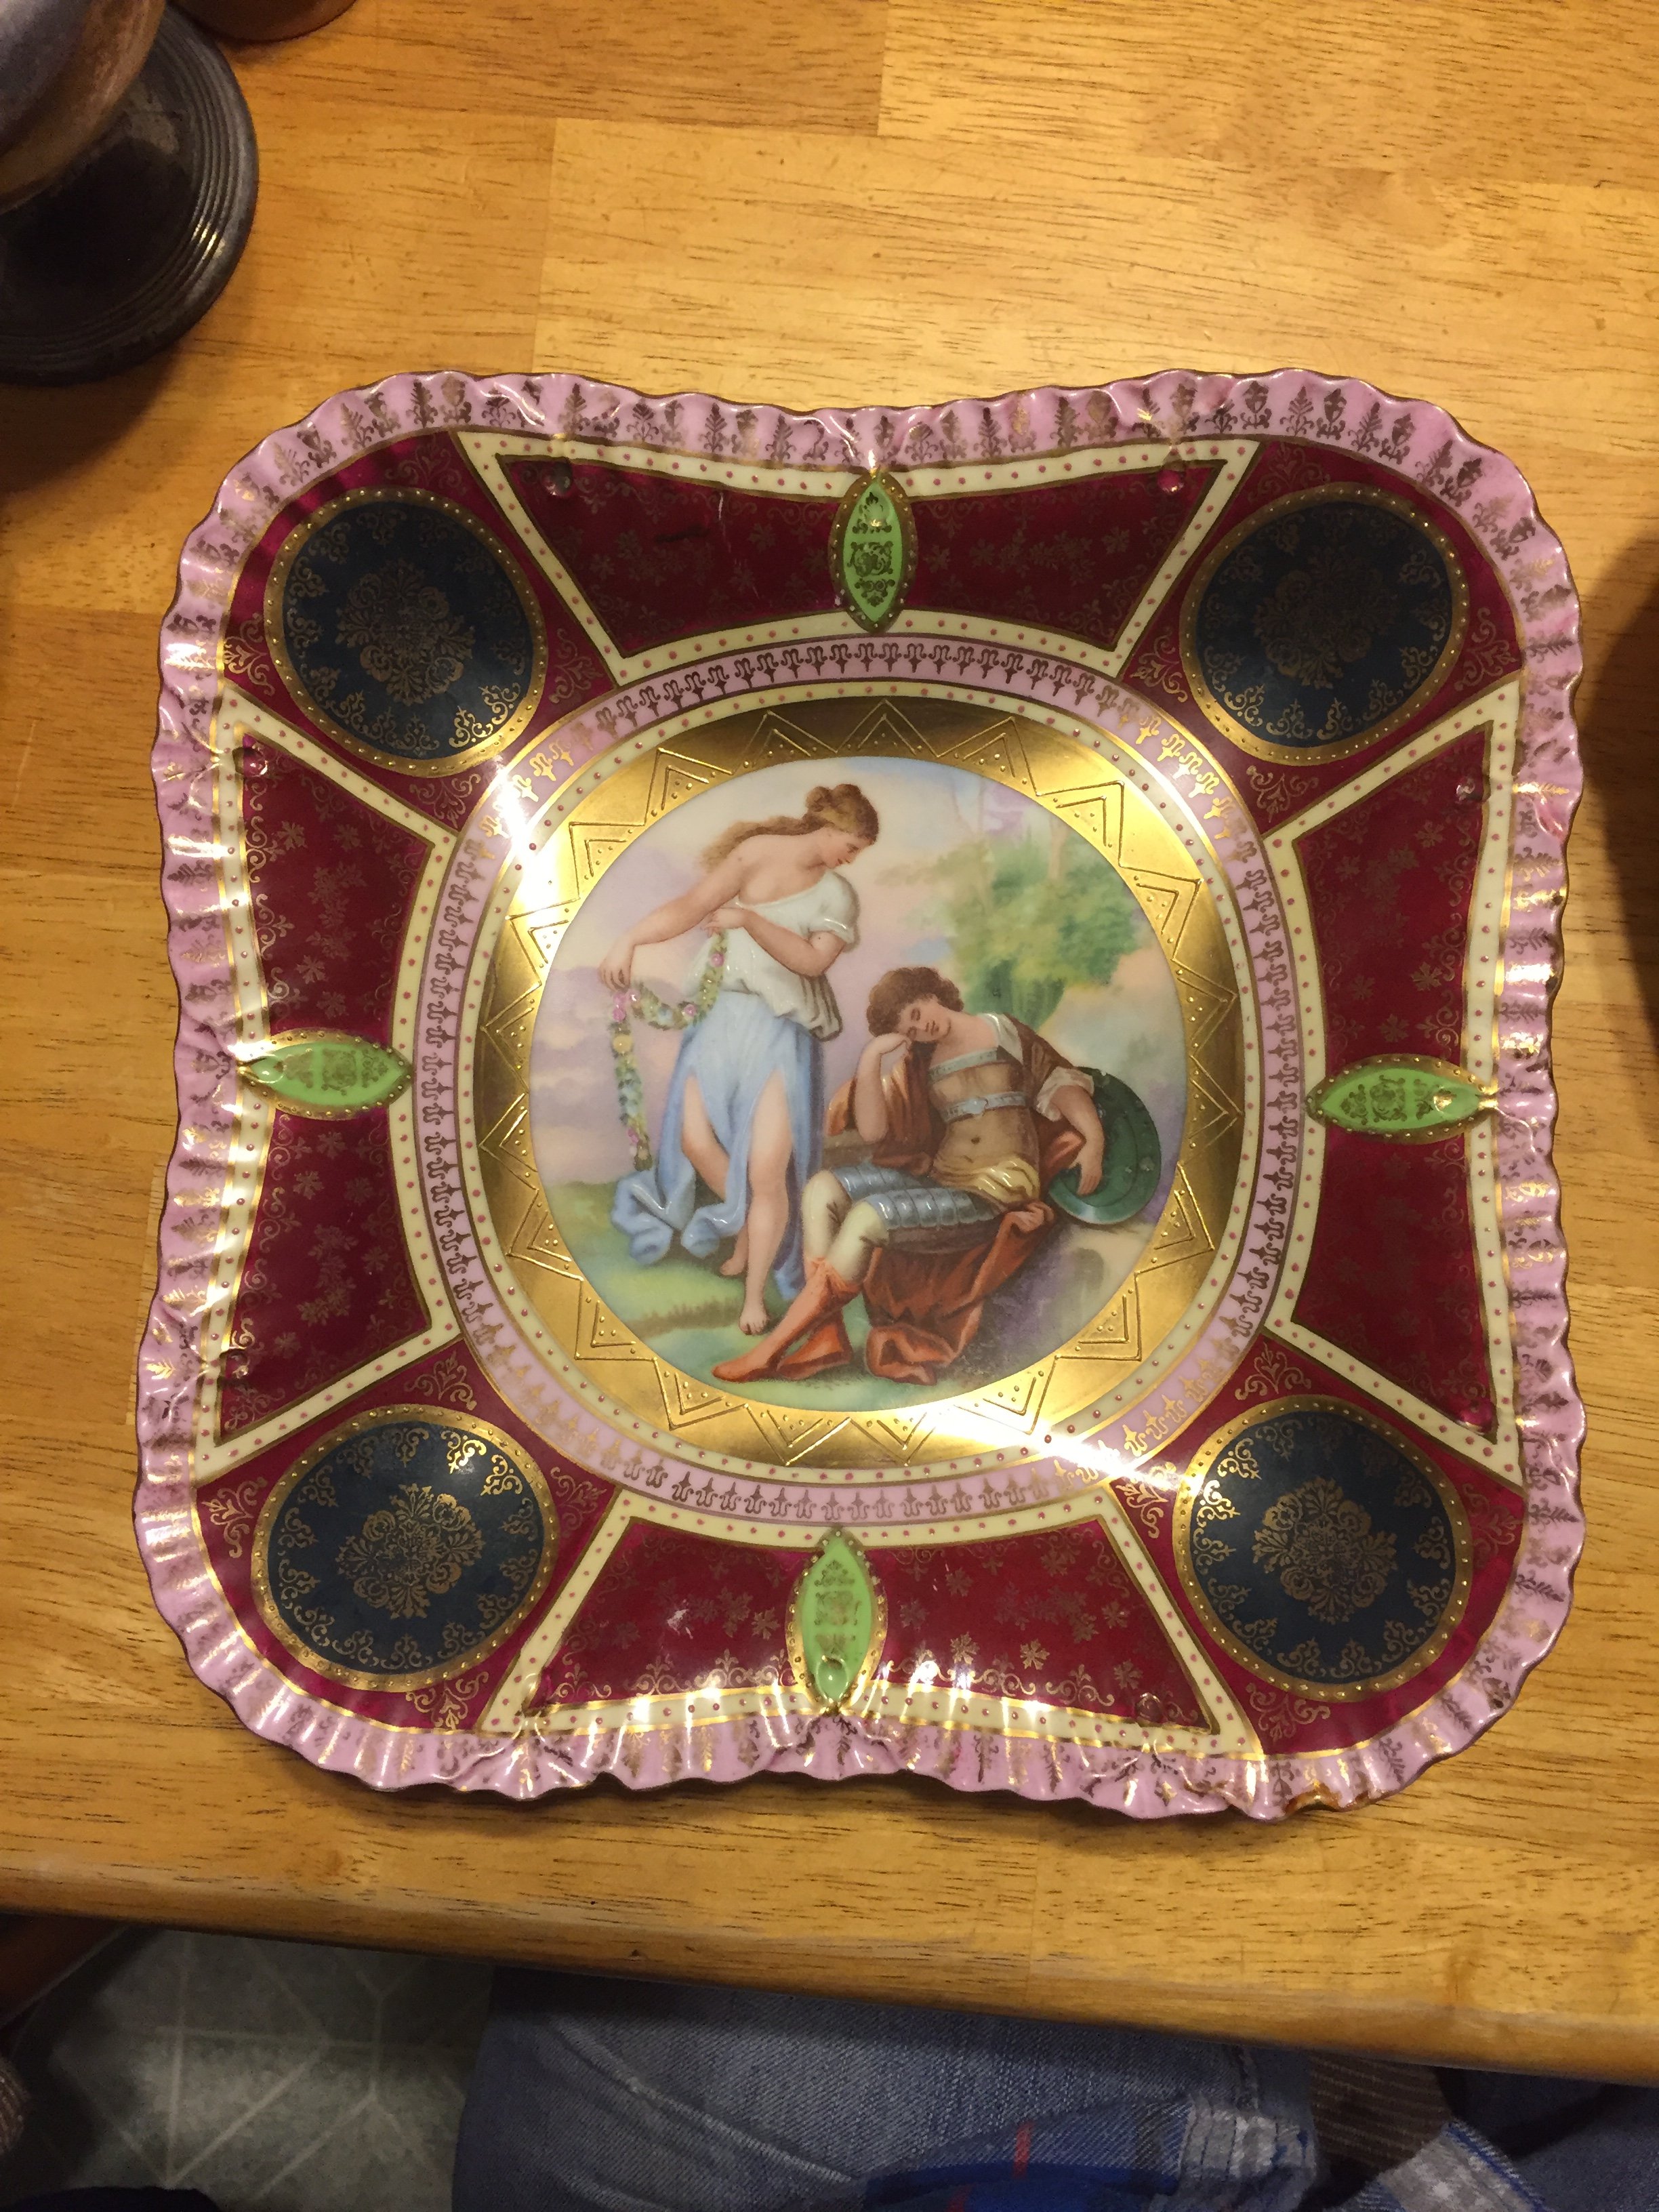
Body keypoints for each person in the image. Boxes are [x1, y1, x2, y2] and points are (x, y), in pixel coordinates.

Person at [714, 964, 1105, 1387]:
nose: (922, 1029)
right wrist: (871, 1059)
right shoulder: (921, 1061)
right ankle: (827, 1338)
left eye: (918, 1014)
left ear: (932, 994)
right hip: (945, 1179)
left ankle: (771, 1351)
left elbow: (1058, 1083)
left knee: (867, 1217)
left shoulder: (1002, 1031)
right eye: (911, 1030)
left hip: (998, 1186)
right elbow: (873, 1131)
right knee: (821, 1190)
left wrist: (1095, 1141)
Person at [603, 783, 879, 1336]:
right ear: (829, 828)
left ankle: (754, 1298)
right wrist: (629, 939)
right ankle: (747, 1228)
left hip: (780, 1028)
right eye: (851, 846)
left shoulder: (837, 895)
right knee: (694, 1140)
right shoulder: (754, 853)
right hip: (718, 1018)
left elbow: (811, 963)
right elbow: (690, 907)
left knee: (767, 1168)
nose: (852, 859)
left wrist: (751, 921)